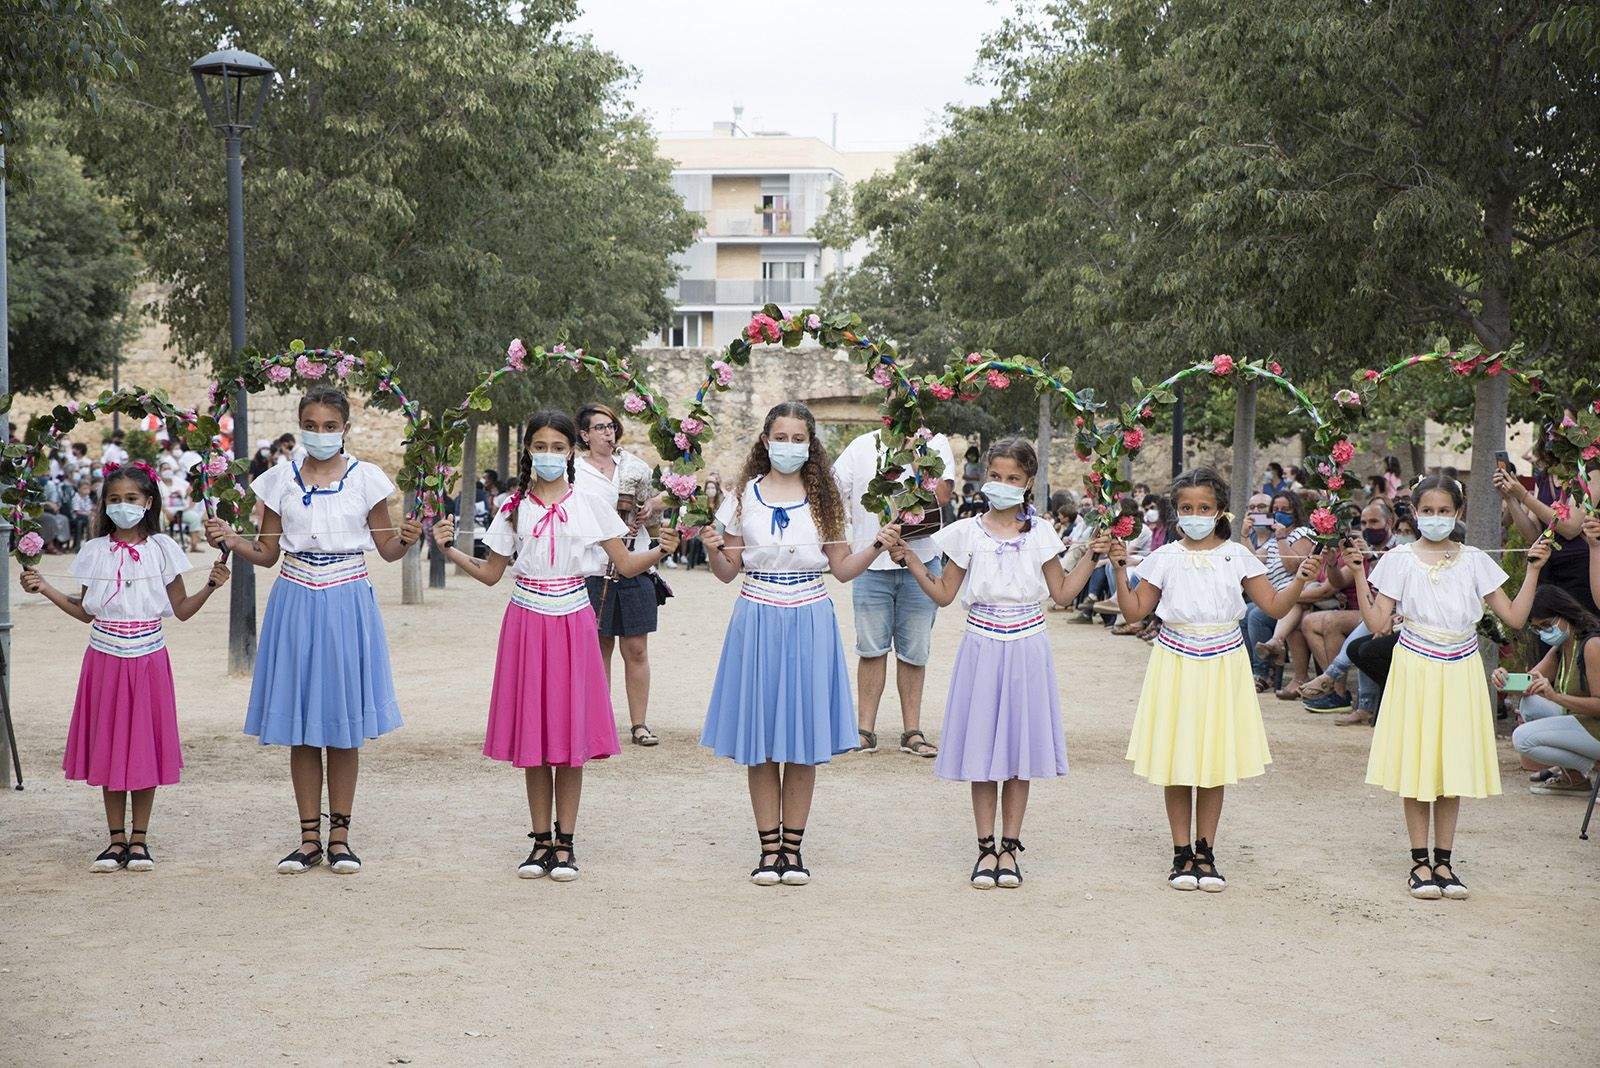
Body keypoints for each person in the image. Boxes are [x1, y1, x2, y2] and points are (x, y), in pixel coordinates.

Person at [432, 411, 678, 880]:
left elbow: (626, 565)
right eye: (540, 446)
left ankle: (565, 843)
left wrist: (662, 549)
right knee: (535, 733)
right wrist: (449, 550)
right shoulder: (512, 507)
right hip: (526, 621)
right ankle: (540, 840)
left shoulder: (590, 502)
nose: (549, 455)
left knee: (568, 734)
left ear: (571, 452)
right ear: (528, 450)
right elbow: (491, 573)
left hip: (573, 620)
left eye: (558, 447)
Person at [204, 387, 422, 875]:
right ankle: (308, 839)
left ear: (345, 428)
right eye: (311, 425)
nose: (320, 433)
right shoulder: (278, 479)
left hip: (347, 598)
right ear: (299, 425)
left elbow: (387, 550)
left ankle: (340, 837)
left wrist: (408, 539)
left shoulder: (366, 478)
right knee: (302, 727)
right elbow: (267, 553)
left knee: (342, 724)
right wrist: (233, 539)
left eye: (330, 426)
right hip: (296, 597)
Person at [698, 402, 902, 886]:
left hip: (809, 617)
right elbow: (727, 572)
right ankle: (768, 850)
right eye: (780, 437)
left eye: (798, 438)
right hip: (757, 617)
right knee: (762, 740)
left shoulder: (825, 499)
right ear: (765, 440)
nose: (788, 446)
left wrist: (877, 544)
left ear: (810, 444)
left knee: (802, 740)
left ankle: (793, 850)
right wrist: (711, 549)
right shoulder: (742, 496)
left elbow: (842, 569)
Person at [893, 438, 1102, 888]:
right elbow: (944, 594)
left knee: (1017, 752)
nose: (1002, 484)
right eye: (995, 476)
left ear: (1028, 483)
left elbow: (1062, 593)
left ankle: (1010, 847)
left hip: (1027, 645)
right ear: (985, 476)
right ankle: (985, 847)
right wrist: (909, 559)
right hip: (982, 646)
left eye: (1013, 478)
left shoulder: (1041, 533)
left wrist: (1093, 556)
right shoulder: (967, 532)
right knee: (984, 749)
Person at [1112, 468, 1319, 892]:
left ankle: (1205, 852)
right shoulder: (1164, 557)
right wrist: (1118, 569)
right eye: (1186, 507)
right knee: (1176, 757)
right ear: (1176, 511)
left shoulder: (1238, 555)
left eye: (1204, 507)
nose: (1195, 515)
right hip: (1175, 660)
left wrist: (1300, 578)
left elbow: (1274, 607)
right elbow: (1134, 611)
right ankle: (1180, 852)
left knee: (1212, 758)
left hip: (1223, 661)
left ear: (1220, 510)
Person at [1344, 474, 1548, 900]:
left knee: (1450, 766)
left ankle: (1445, 862)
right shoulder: (1399, 559)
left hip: (1461, 669)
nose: (1435, 518)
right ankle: (1420, 862)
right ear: (1415, 512)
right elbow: (1378, 622)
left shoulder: (1475, 560)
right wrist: (1360, 575)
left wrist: (1533, 570)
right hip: (1415, 667)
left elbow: (1514, 617)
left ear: (1458, 513)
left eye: (1444, 511)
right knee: (1418, 765)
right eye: (1428, 511)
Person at [20, 461, 230, 872]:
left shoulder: (163, 549)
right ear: (104, 504)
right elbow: (86, 611)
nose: (122, 506)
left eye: (131, 498)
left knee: (144, 746)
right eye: (114, 499)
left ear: (148, 502)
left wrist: (210, 585)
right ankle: (115, 840)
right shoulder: (94, 551)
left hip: (149, 657)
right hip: (105, 658)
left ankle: (140, 840)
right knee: (110, 744)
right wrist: (45, 588)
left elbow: (181, 609)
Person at [832, 426, 957, 757]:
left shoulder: (935, 443)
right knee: (870, 649)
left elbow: (943, 496)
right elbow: (832, 492)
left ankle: (912, 731)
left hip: (921, 560)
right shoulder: (861, 445)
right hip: (870, 563)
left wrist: (918, 457)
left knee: (914, 651)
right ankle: (864, 730)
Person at [572, 403, 663, 747]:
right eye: (599, 427)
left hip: (636, 564)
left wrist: (651, 507)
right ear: (584, 435)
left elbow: (661, 501)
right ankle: (600, 723)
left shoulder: (634, 466)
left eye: (610, 426)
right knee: (599, 648)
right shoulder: (575, 471)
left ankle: (639, 724)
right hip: (593, 567)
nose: (607, 432)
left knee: (637, 648)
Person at [1300, 498, 1398, 720]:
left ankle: (1333, 680)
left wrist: (1371, 557)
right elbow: (1337, 582)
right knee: (1316, 622)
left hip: (1390, 614)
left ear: (1389, 522)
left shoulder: (1399, 549)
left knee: (1354, 629)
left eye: (1374, 522)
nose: (1368, 528)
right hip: (1368, 612)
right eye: (1363, 523)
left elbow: (1390, 592)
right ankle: (1338, 692)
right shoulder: (1361, 546)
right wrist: (1333, 563)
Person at [1501, 586, 1600, 796]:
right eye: (1537, 629)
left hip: (1595, 726)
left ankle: (1592, 768)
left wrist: (1555, 697)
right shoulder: (1563, 645)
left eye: (1546, 625)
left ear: (1564, 614)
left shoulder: (1592, 645)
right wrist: (1503, 679)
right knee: (1530, 703)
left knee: (1522, 739)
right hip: (1583, 722)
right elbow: (1528, 683)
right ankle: (1576, 779)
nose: (1544, 632)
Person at [1248, 492, 1315, 695]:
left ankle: (1264, 673)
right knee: (1245, 613)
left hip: (1295, 593)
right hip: (1275, 596)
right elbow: (1252, 561)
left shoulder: (1302, 533)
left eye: (1285, 509)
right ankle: (1252, 668)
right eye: (1275, 509)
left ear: (1295, 511)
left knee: (1256, 616)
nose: (1279, 513)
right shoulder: (1271, 540)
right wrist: (1244, 536)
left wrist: (1282, 537)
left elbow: (1292, 565)